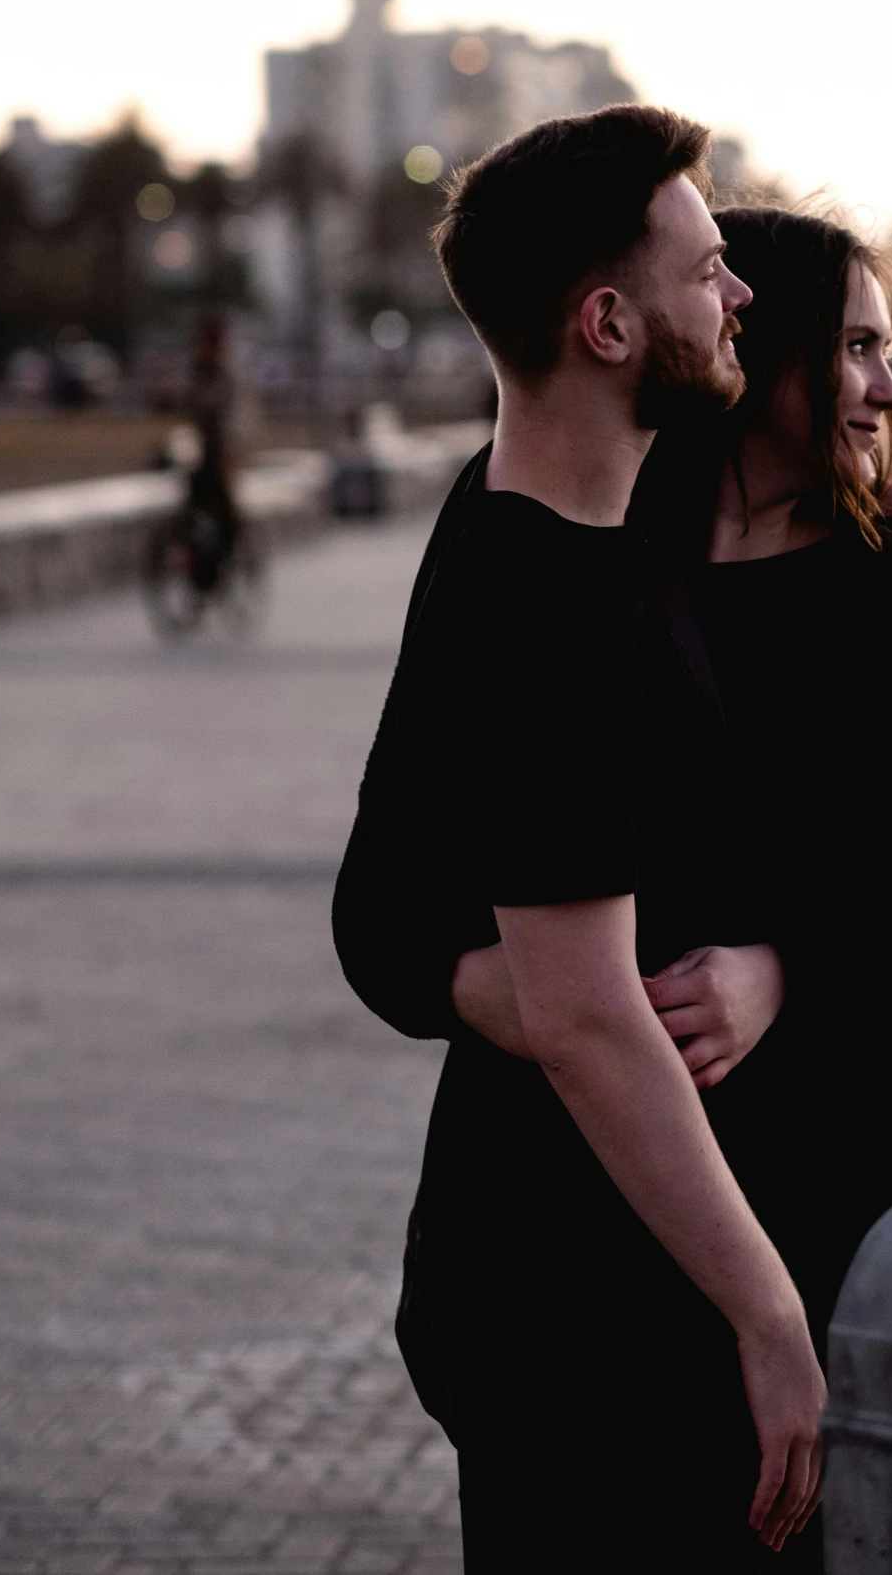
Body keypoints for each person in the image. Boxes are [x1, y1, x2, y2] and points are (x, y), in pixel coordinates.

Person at [446, 207, 892, 1569]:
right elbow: (421, 893)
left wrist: (780, 965)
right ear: (755, 357)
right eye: (859, 346)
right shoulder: (577, 549)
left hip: (832, 1189)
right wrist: (554, 1004)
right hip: (584, 1227)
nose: (888, 385)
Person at [336, 107, 823, 1571]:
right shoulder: (544, 605)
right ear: (608, 322)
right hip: (589, 1316)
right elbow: (589, 1014)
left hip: (598, 1280)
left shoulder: (556, 526)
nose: (736, 296)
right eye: (706, 270)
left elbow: (385, 912)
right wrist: (769, 1311)